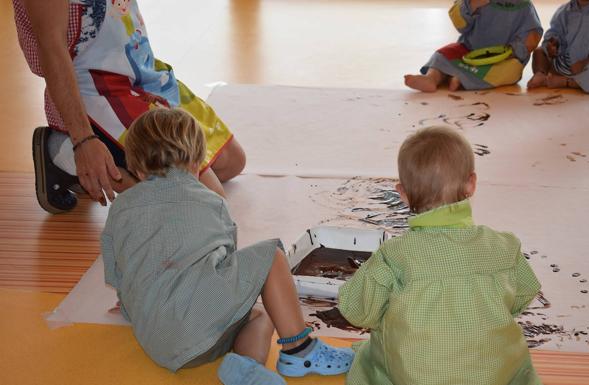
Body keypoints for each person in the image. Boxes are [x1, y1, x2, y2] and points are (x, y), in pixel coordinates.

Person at [101, 108, 354, 384]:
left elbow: (118, 269)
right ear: (199, 162)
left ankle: (245, 373)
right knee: (269, 264)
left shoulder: (121, 207)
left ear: (136, 168)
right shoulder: (211, 201)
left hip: (156, 343)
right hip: (204, 334)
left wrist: (133, 304)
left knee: (252, 308)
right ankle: (297, 351)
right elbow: (226, 260)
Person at [337, 126, 542, 385]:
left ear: (403, 193)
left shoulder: (394, 257)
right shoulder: (504, 247)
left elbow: (358, 311)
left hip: (414, 376)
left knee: (372, 359)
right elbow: (522, 297)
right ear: (471, 184)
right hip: (495, 375)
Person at [13, 0, 245, 214]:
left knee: (232, 162)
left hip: (139, 71)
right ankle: (64, 153)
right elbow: (51, 49)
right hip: (96, 90)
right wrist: (83, 140)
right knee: (205, 201)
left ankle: (85, 166)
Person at [404, 0, 542, 92]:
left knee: (511, 70)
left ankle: (460, 79)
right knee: (442, 54)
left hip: (504, 58)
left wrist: (514, 50)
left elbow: (533, 35)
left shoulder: (525, 7)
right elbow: (459, 24)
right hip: (469, 51)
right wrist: (472, 5)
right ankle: (432, 78)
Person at [527, 0, 589, 94]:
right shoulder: (563, 11)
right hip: (563, 63)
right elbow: (554, 32)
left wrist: (587, 61)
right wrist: (553, 45)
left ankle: (567, 82)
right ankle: (541, 74)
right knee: (539, 52)